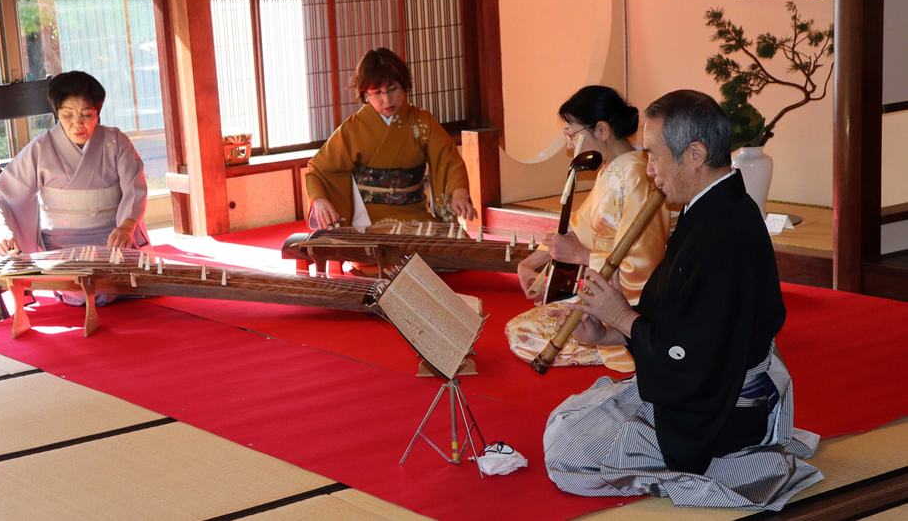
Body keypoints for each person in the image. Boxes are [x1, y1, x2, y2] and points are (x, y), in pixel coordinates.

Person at [542, 90, 822, 510]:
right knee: (566, 418)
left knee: (567, 452)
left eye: (653, 155)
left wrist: (622, 315)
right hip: (696, 380)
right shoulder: (705, 210)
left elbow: (691, 359)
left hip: (719, 411)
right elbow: (679, 321)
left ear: (695, 153)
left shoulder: (726, 232)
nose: (649, 169)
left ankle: (716, 468)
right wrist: (611, 332)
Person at [506, 86, 671, 371]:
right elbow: (578, 227)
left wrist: (582, 255)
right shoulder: (613, 170)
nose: (570, 144)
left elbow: (643, 264)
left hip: (628, 306)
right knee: (518, 327)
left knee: (522, 333)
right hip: (605, 287)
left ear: (603, 130)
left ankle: (613, 343)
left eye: (572, 133)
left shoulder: (637, 177)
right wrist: (530, 263)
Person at [0, 72, 148, 302]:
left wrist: (127, 226)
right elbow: (1, 194)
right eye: (67, 115)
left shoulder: (116, 142)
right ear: (57, 114)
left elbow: (135, 188)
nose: (77, 123)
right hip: (61, 246)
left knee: (118, 282)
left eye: (86, 114)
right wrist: (2, 228)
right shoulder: (40, 149)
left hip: (111, 241)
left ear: (98, 111)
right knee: (84, 291)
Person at [305, 48, 476, 230]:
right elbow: (319, 170)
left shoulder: (422, 122)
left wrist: (458, 194)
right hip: (367, 220)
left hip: (417, 215)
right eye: (377, 92)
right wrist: (320, 200)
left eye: (393, 89)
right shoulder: (354, 128)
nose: (387, 99)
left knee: (449, 251)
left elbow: (448, 161)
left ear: (404, 87)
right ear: (365, 95)